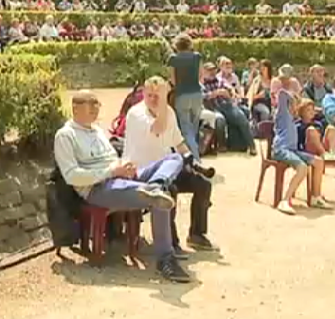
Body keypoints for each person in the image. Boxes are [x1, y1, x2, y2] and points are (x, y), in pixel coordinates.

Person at [54, 91, 190, 283]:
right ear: (75, 108)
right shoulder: (65, 136)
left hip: (123, 178)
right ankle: (165, 259)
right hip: (98, 189)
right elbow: (72, 176)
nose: (95, 108)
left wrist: (126, 167)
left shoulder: (97, 131)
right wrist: (112, 172)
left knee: (174, 158)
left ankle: (156, 184)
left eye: (97, 104)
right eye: (90, 104)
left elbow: (113, 159)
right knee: (160, 198)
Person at [123, 78, 216, 254]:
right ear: (143, 94)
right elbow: (158, 128)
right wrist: (164, 100)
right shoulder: (136, 114)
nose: (154, 100)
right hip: (143, 172)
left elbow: (179, 142)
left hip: (167, 169)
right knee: (169, 190)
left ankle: (197, 234)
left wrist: (191, 161)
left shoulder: (168, 112)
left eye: (157, 96)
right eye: (150, 95)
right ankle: (171, 243)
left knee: (203, 184)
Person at [272, 86, 330, 214]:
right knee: (302, 167)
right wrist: (295, 97)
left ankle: (316, 197)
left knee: (318, 162)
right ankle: (285, 200)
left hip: (292, 150)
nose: (296, 106)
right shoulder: (283, 114)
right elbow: (282, 93)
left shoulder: (293, 118)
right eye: (294, 104)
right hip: (281, 149)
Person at [201, 62, 256, 154]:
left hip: (226, 105)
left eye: (213, 69)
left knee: (241, 117)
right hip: (212, 108)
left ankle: (252, 145)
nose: (212, 72)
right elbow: (203, 96)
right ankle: (222, 145)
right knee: (220, 120)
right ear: (204, 71)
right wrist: (216, 93)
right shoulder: (201, 83)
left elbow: (230, 90)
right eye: (209, 70)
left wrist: (229, 93)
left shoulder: (220, 80)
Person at [167, 34, 204, 158]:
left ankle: (195, 159)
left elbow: (173, 80)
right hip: (197, 94)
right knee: (194, 128)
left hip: (182, 94)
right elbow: (200, 76)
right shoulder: (197, 57)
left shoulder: (173, 58)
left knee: (186, 130)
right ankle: (195, 153)